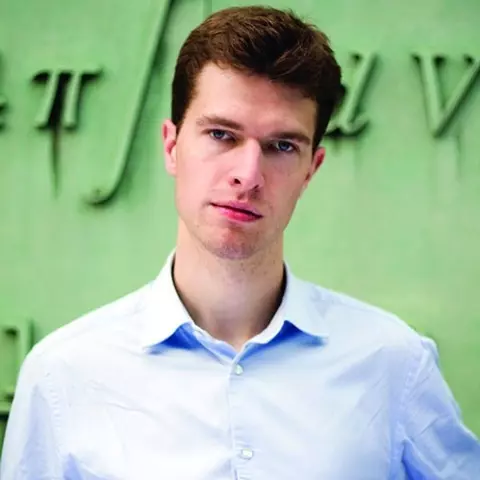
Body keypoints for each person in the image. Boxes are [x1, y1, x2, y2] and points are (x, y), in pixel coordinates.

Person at [1, 5, 480, 479]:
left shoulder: (393, 363)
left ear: (311, 170)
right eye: (221, 135)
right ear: (171, 146)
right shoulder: (63, 375)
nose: (248, 175)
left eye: (282, 146)